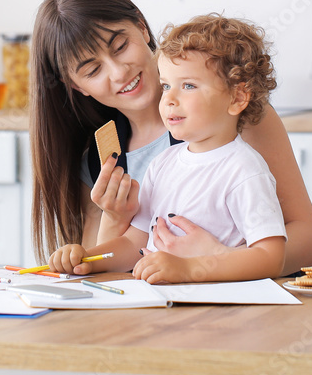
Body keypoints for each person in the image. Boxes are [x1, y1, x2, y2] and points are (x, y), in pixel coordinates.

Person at [29, 0, 312, 274]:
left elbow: (311, 242)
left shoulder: (232, 116)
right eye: (93, 70)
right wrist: (113, 220)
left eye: (120, 46)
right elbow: (113, 267)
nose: (119, 72)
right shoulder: (100, 160)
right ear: (75, 86)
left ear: (142, 27)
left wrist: (213, 259)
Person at [49, 14, 285, 282]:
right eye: (166, 85)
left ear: (237, 97)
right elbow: (135, 243)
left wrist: (191, 268)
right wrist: (88, 260)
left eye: (188, 86)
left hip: (218, 314)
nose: (169, 99)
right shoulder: (162, 164)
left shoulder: (245, 169)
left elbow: (271, 258)